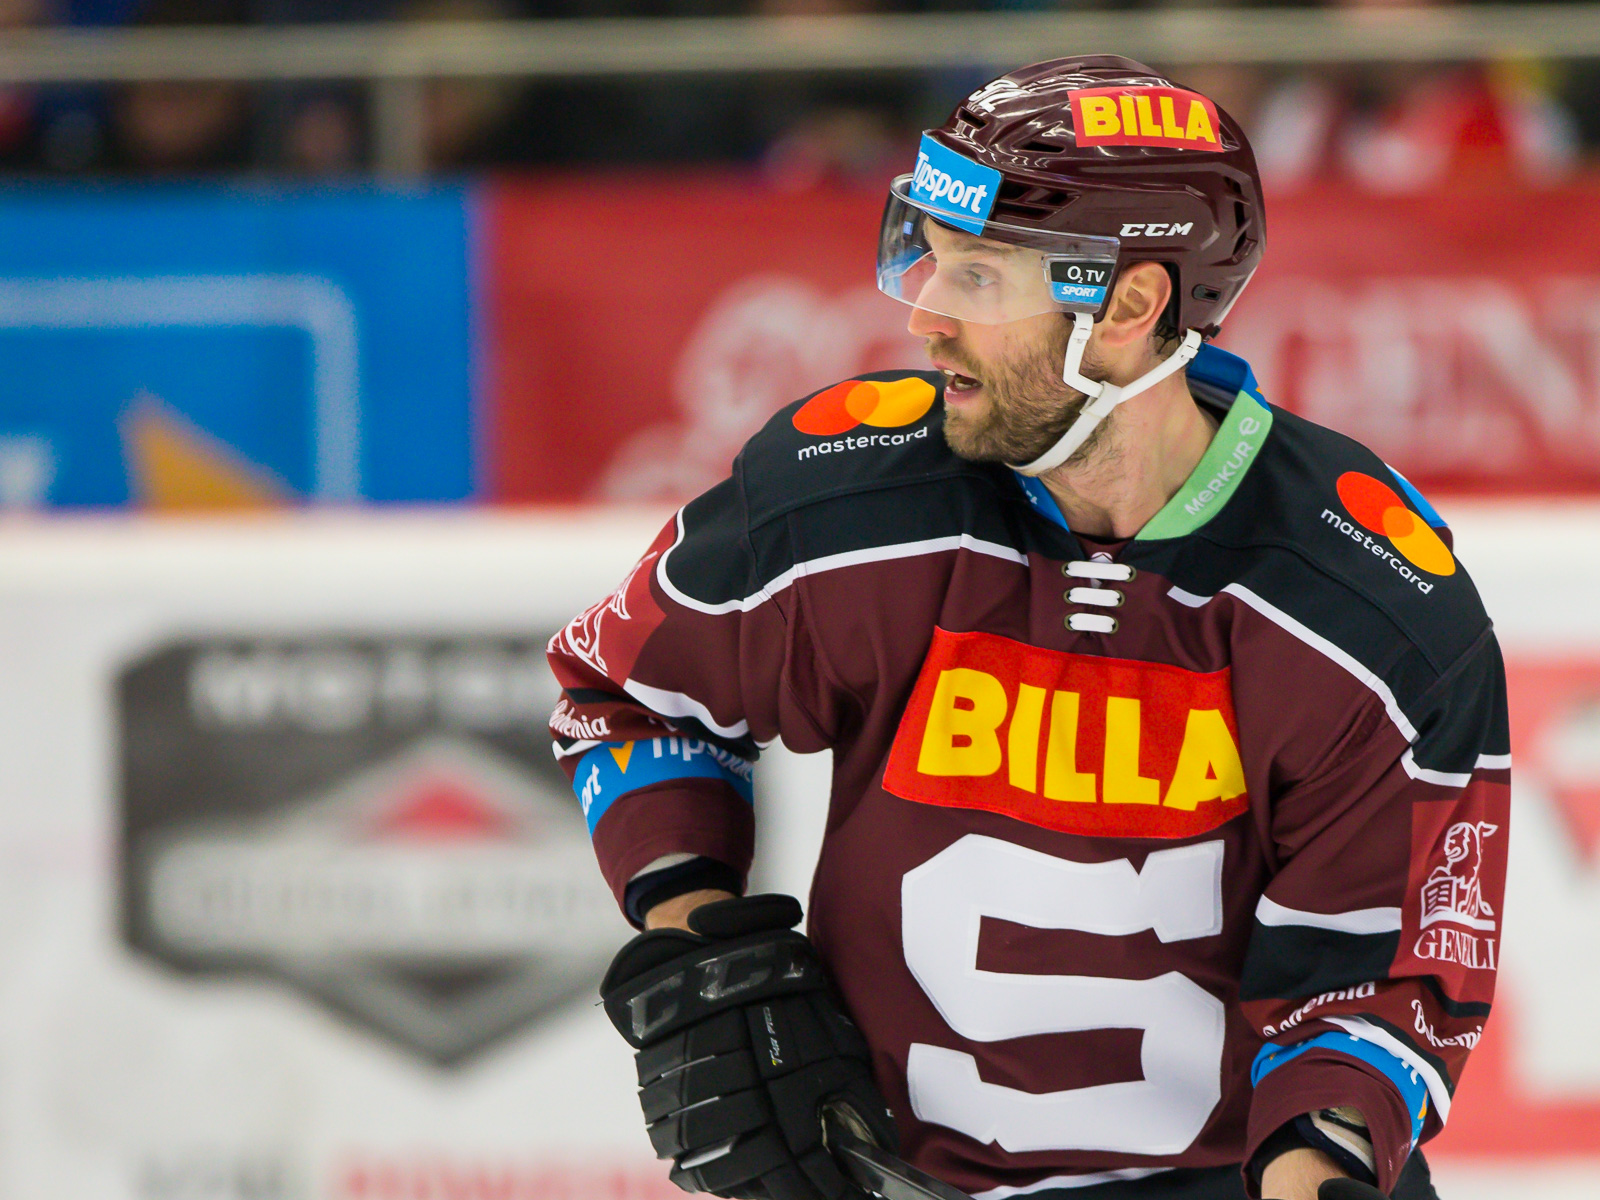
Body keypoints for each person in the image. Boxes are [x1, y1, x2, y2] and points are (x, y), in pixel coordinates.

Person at [548, 56, 1508, 1200]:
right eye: (925, 257)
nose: (924, 316)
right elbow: (627, 695)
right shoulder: (844, 502)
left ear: (1130, 307)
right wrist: (700, 929)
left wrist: (1321, 1166)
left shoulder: (1364, 605)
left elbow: (1372, 988)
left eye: (978, 277)